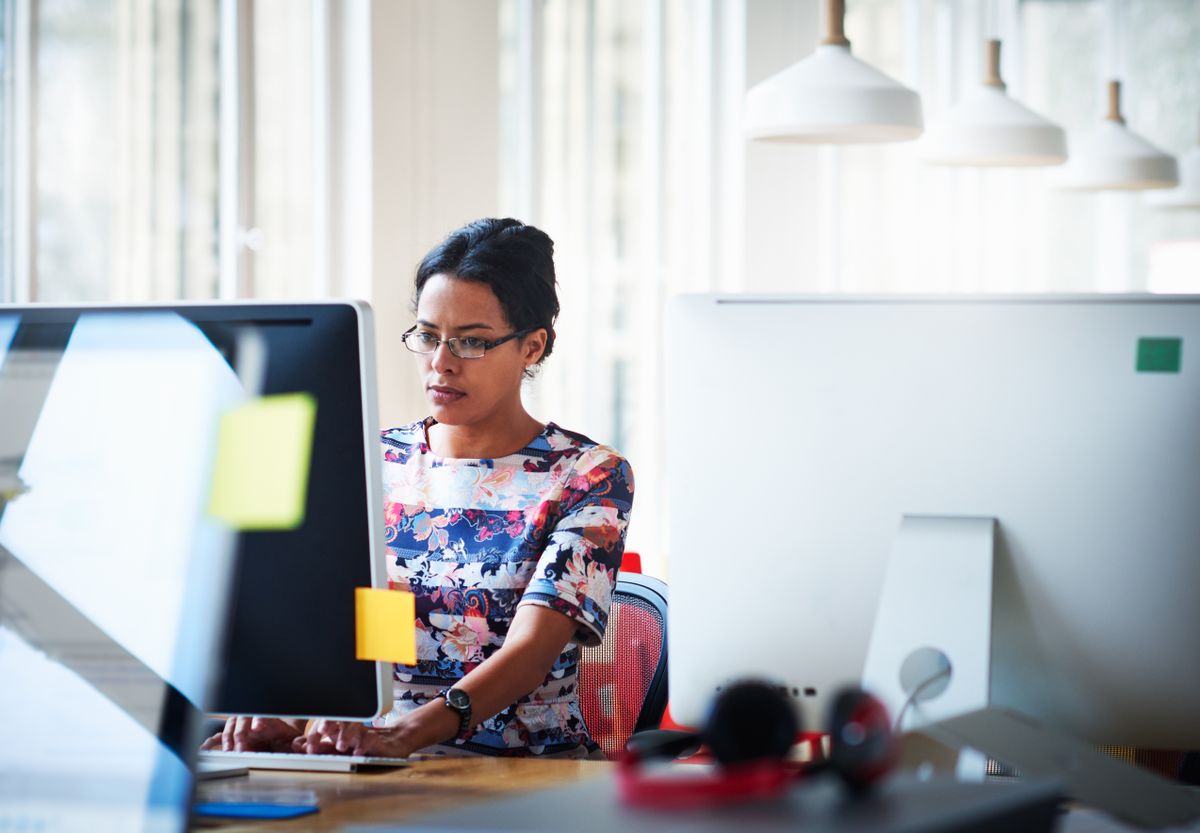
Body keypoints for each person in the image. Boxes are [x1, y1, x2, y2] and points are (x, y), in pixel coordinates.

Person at [203, 218, 634, 759]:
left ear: (532, 347)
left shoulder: (588, 474)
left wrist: (410, 733)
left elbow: (531, 653)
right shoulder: (377, 459)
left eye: (472, 342)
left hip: (524, 774)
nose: (440, 363)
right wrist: (289, 717)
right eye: (429, 336)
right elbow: (375, 626)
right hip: (381, 760)